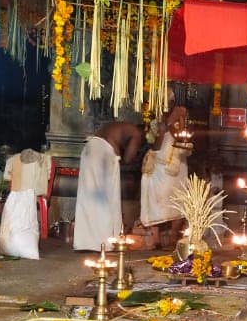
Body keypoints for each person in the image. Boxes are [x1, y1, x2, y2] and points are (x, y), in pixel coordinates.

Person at [72, 121, 142, 251]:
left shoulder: (118, 126)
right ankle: (104, 242)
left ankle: (85, 242)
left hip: (89, 149)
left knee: (88, 198)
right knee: (105, 200)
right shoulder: (136, 133)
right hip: (103, 153)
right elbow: (128, 158)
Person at [140, 106, 191, 249]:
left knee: (176, 200)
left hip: (176, 166)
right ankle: (155, 238)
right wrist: (166, 124)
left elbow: (184, 139)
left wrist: (178, 120)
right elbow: (156, 146)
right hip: (157, 166)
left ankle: (174, 236)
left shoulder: (183, 119)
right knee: (154, 198)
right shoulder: (155, 120)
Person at [0, 147, 52, 260]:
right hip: (31, 193)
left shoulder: (13, 160)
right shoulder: (44, 159)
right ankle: (19, 247)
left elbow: (7, 177)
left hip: (20, 194)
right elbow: (48, 175)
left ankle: (11, 247)